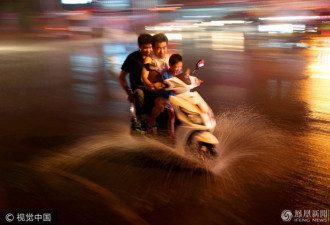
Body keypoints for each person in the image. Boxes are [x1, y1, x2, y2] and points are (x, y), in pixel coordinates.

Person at [141, 33, 170, 134]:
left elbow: (178, 73)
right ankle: (151, 122)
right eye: (158, 48)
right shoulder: (149, 59)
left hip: (168, 90)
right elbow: (144, 76)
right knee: (160, 105)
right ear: (153, 48)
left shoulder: (170, 58)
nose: (162, 51)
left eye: (164, 48)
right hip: (154, 92)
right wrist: (151, 85)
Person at [118, 33, 152, 117]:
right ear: (139, 46)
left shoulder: (154, 57)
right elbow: (121, 77)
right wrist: (129, 93)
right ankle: (140, 121)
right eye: (145, 47)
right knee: (139, 95)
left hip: (153, 88)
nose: (148, 50)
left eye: (150, 47)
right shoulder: (132, 58)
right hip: (139, 88)